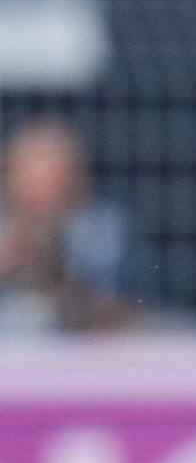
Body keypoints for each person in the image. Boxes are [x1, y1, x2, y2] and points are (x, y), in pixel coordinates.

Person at [0, 120, 132, 335]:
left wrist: (52, 269)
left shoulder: (100, 227)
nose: (41, 193)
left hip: (76, 351)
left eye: (53, 178)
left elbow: (114, 310)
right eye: (30, 177)